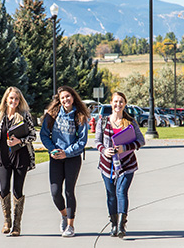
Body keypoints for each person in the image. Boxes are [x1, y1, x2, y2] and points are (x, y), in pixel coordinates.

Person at [0, 87, 36, 236]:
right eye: (11, 98)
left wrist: (20, 141)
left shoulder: (24, 115)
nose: (14, 101)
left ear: (20, 101)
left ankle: (17, 225)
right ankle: (7, 221)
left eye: (16, 99)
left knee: (17, 190)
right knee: (4, 188)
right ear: (6, 99)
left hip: (21, 158)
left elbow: (33, 136)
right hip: (3, 158)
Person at [40, 86, 90, 238]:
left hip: (72, 158)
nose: (65, 99)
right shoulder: (52, 115)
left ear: (73, 97)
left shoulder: (80, 116)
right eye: (63, 97)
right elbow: (44, 135)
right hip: (55, 157)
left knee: (69, 191)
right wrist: (53, 150)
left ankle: (70, 225)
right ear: (59, 100)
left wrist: (66, 153)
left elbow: (82, 141)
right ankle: (64, 214)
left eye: (68, 96)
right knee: (55, 192)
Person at [94, 92, 145, 239]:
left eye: (121, 102)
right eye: (116, 101)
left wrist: (125, 148)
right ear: (111, 103)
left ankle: (122, 225)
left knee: (121, 192)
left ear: (125, 104)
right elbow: (97, 142)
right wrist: (104, 150)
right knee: (111, 195)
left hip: (127, 164)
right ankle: (114, 224)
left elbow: (141, 141)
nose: (118, 104)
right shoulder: (103, 121)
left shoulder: (130, 122)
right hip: (107, 165)